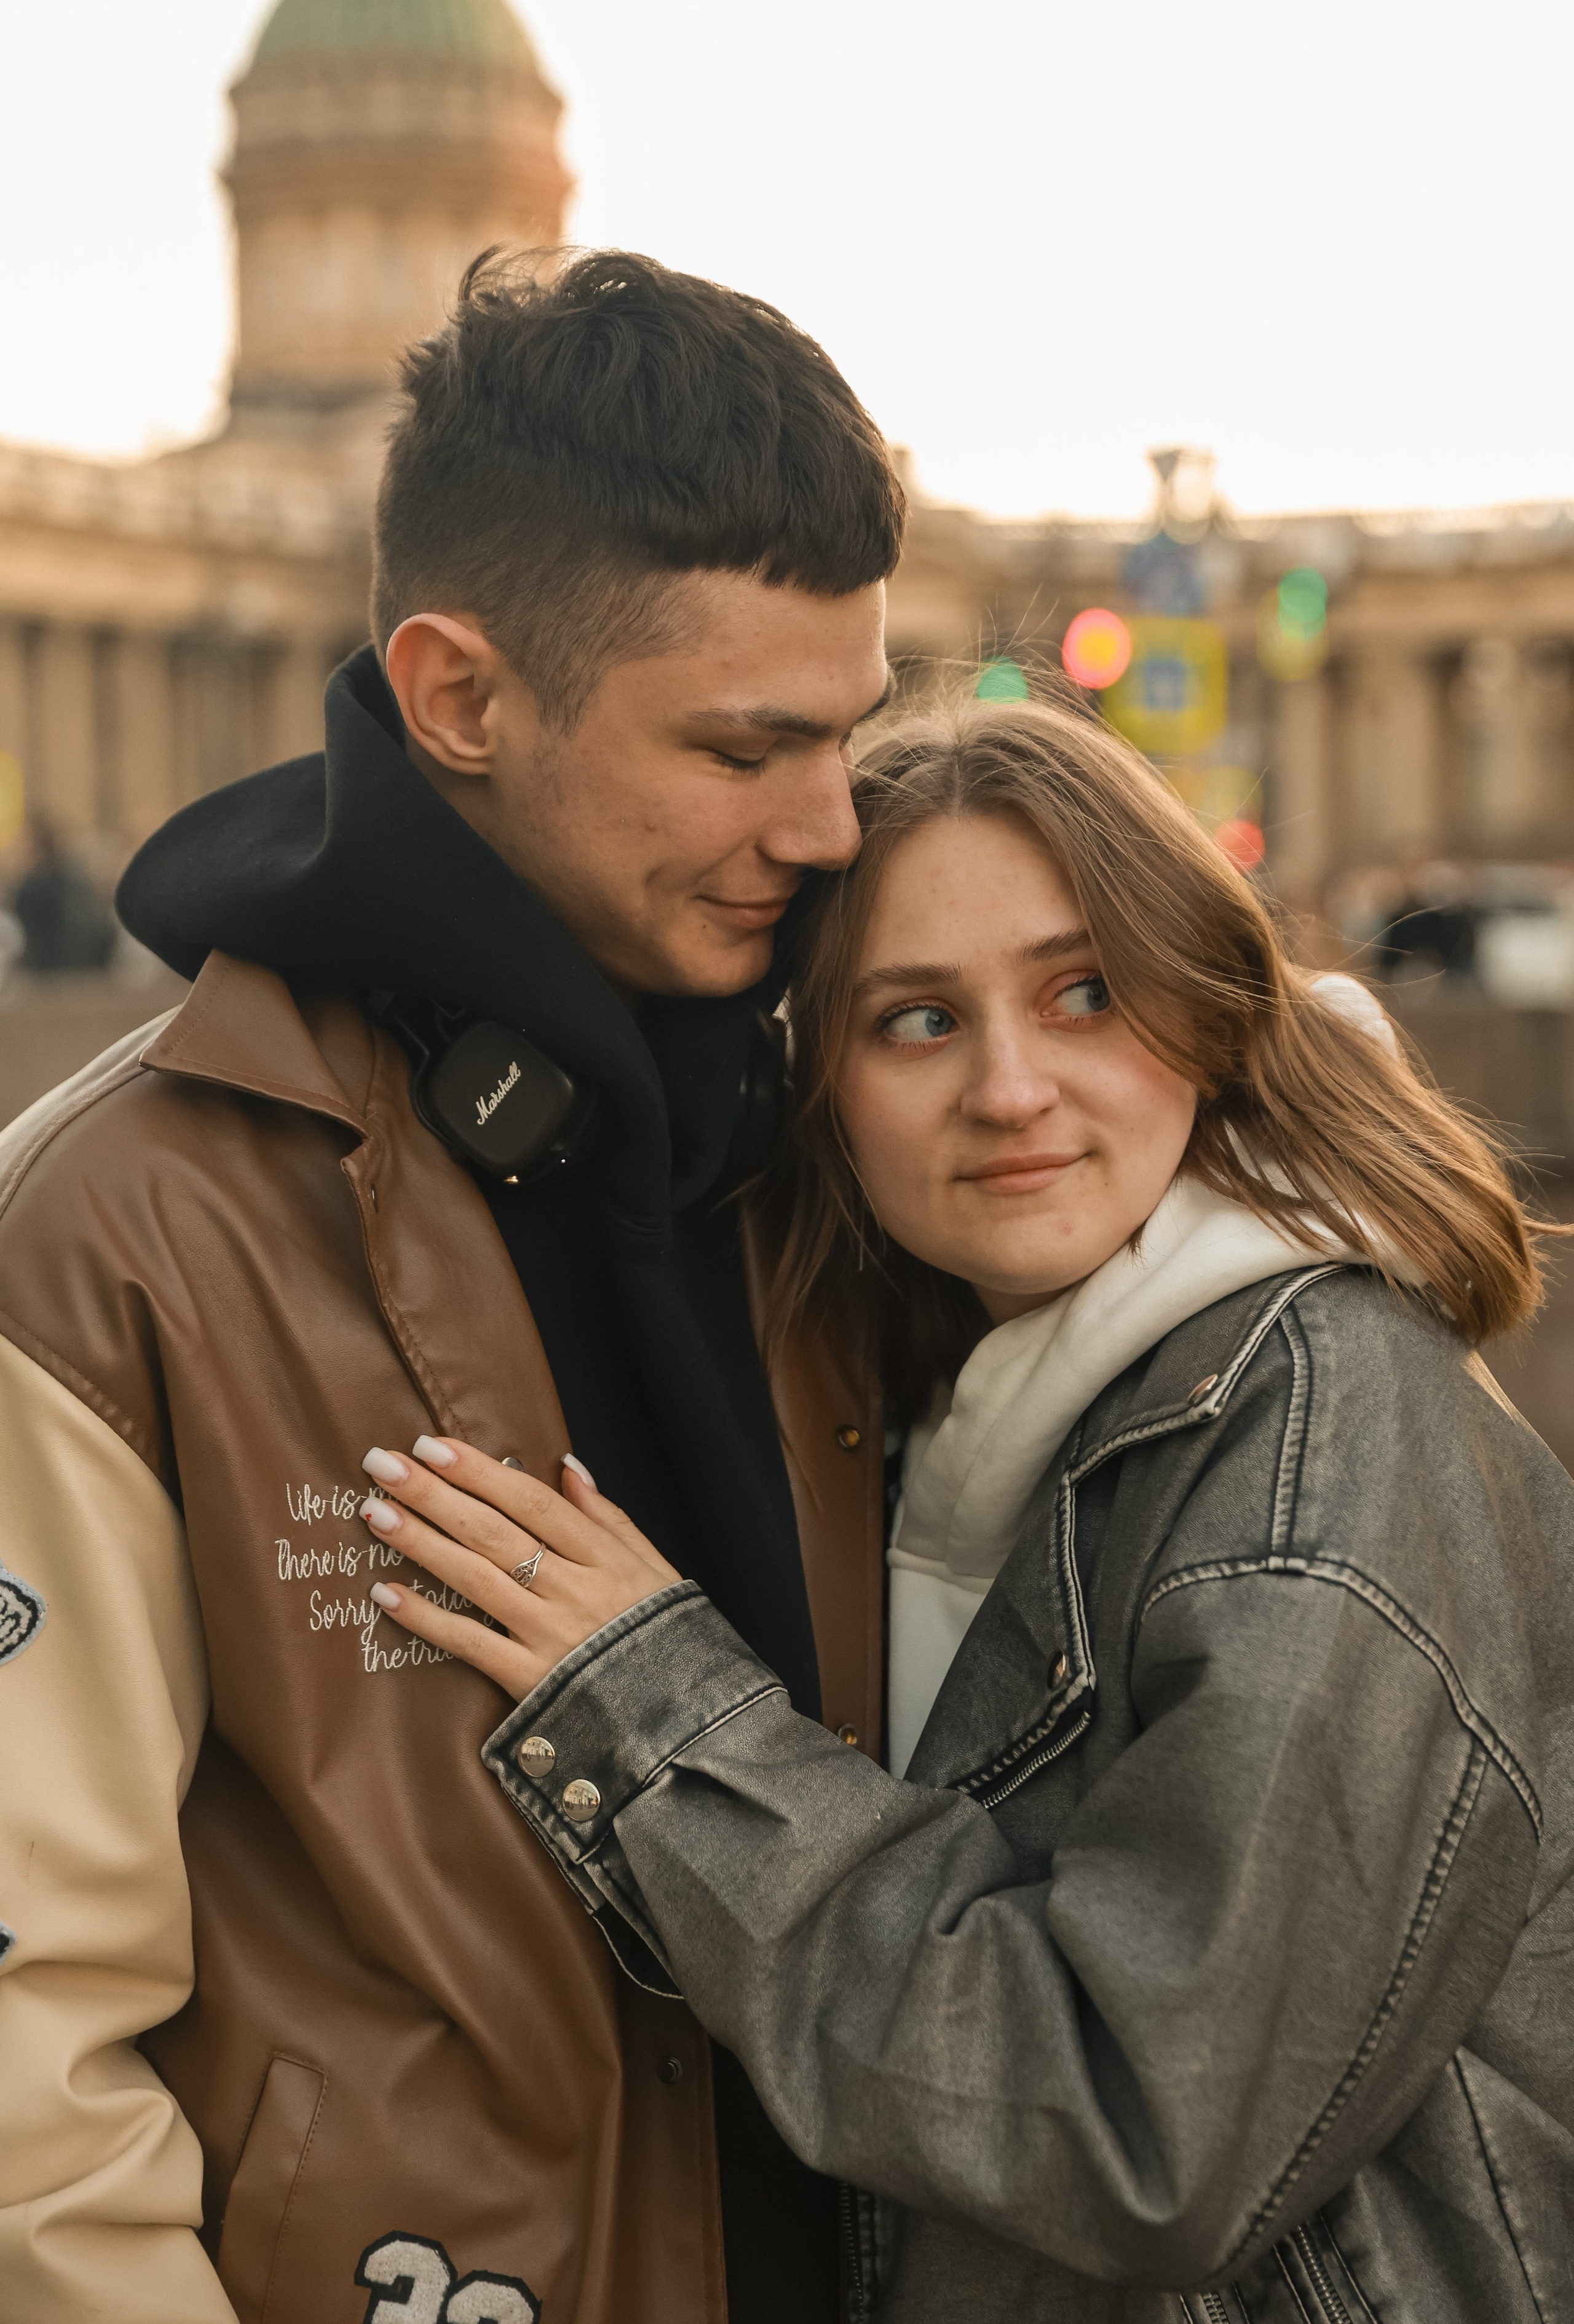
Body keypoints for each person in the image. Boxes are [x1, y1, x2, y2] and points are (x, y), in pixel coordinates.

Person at [364, 690, 1574, 2322]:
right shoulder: (996, 1386)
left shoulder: (1328, 1433)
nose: (1011, 1087)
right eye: (916, 1020)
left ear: (1205, 1011)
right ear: (826, 1090)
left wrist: (656, 1718)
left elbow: (1148, 2122)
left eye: (1084, 992)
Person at [0, 250, 903, 2322]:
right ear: (461, 695)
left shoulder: (847, 1155)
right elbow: (29, 2067)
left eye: (852, 735)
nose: (837, 823)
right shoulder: (111, 1231)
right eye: (750, 746)